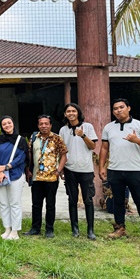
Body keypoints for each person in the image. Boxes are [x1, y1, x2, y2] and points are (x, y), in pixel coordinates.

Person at [99, 98, 140, 244]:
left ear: (128, 108)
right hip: (115, 170)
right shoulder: (108, 128)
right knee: (118, 201)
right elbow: (104, 148)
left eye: (121, 107)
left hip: (134, 170)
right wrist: (101, 167)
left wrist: (136, 140)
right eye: (115, 108)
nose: (118, 110)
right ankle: (120, 228)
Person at [59, 103, 98, 240]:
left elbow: (92, 146)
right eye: (68, 111)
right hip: (70, 169)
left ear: (78, 112)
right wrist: (62, 168)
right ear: (65, 114)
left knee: (88, 200)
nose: (71, 113)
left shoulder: (87, 127)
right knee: (72, 200)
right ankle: (75, 229)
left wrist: (83, 135)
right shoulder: (63, 130)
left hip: (86, 169)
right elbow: (62, 151)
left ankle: (90, 230)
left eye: (73, 111)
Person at [24, 115, 67, 239]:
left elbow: (64, 155)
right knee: (36, 204)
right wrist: (28, 170)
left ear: (50, 125)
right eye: (41, 124)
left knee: (50, 204)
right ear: (38, 125)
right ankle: (35, 228)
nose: (44, 126)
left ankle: (49, 229)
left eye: (46, 123)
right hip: (37, 177)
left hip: (51, 177)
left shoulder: (57, 138)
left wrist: (59, 171)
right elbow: (30, 154)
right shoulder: (33, 138)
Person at [0, 115, 28, 240]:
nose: (7, 125)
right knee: (3, 203)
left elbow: (21, 158)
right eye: (4, 124)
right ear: (2, 127)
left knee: (15, 204)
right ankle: (7, 228)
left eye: (9, 123)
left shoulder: (21, 140)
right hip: (1, 175)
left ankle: (15, 231)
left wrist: (6, 167)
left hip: (15, 175)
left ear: (13, 123)